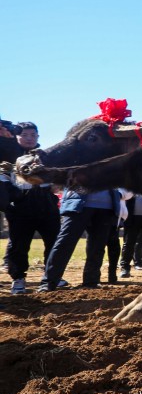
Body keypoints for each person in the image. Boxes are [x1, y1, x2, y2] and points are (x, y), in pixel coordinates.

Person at [3, 123, 60, 295]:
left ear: (38, 137)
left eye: (33, 135)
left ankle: (51, 276)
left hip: (46, 203)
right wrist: (15, 197)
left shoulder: (46, 156)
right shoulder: (8, 155)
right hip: (20, 205)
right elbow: (4, 180)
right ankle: (18, 278)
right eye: (25, 135)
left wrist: (56, 184)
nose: (29, 138)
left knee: (54, 241)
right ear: (17, 136)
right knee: (19, 244)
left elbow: (58, 177)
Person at [40, 188, 120, 291]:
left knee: (97, 247)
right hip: (77, 203)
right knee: (64, 243)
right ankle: (48, 282)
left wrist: (120, 193)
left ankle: (91, 282)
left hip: (106, 207)